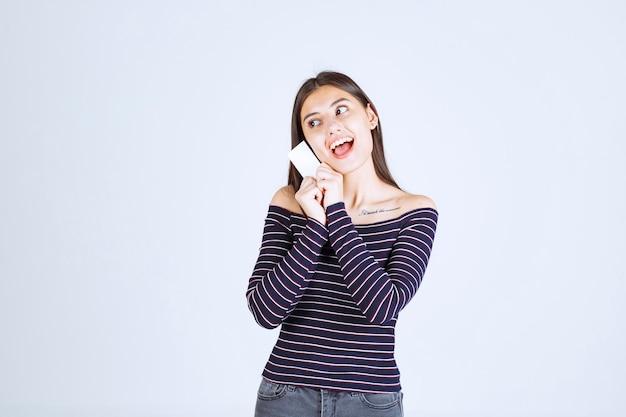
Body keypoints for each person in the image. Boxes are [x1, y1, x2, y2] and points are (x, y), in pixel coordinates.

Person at [246, 71, 438, 417]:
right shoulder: (291, 202)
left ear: (370, 116)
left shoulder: (415, 210)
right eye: (314, 122)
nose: (331, 128)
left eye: (340, 111)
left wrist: (336, 211)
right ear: (305, 142)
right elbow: (265, 311)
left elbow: (381, 308)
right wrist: (315, 224)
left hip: (370, 400)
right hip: (285, 395)